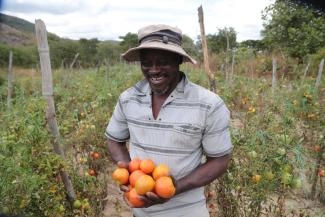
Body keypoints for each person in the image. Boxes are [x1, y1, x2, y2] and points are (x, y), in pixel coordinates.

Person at [105, 24, 232, 217]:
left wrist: (176, 187)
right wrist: (130, 173)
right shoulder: (128, 99)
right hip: (140, 211)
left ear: (178, 60)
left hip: (187, 212)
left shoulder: (208, 104)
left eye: (163, 62)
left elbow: (220, 159)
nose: (154, 70)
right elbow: (114, 138)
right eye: (147, 63)